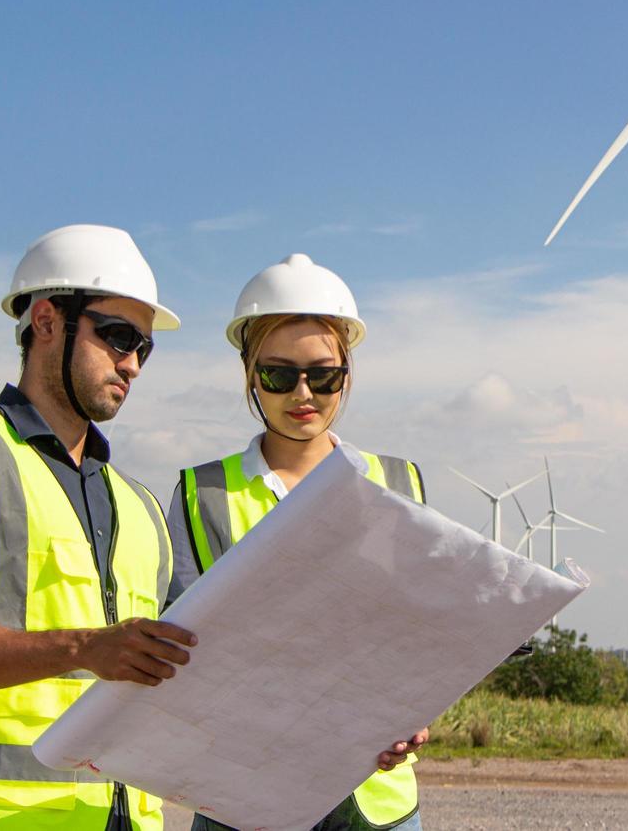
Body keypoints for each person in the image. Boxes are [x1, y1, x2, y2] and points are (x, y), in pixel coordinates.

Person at [0, 224, 196, 831]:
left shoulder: (143, 507)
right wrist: (86, 648)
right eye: (118, 336)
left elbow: (190, 670)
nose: (132, 364)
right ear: (46, 321)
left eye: (144, 348)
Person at [167, 254, 430, 831]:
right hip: (241, 785)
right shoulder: (199, 494)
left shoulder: (398, 483)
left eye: (324, 374)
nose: (303, 392)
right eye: (280, 375)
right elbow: (181, 649)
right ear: (249, 373)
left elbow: (419, 635)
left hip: (373, 792)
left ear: (348, 372)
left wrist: (416, 715)